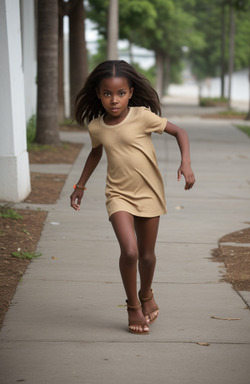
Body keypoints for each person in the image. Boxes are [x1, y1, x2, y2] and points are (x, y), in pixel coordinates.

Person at [70, 60, 195, 335]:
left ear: (130, 92)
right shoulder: (96, 127)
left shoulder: (142, 116)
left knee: (147, 257)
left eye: (121, 93)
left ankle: (146, 293)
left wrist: (185, 163)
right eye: (107, 94)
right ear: (98, 94)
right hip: (118, 195)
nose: (114, 100)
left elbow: (180, 132)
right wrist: (80, 185)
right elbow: (96, 152)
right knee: (130, 251)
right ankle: (133, 305)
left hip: (149, 192)